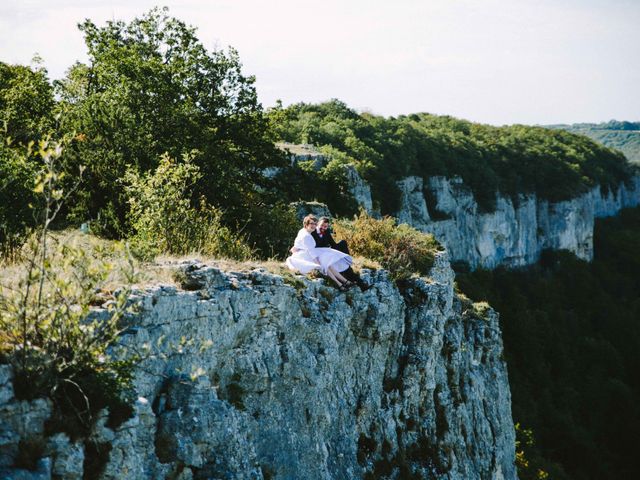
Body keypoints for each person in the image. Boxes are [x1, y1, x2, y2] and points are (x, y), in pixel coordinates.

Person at [286, 215, 355, 291]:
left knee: (327, 263)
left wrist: (295, 249)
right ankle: (340, 284)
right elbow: (311, 253)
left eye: (315, 224)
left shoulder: (303, 231)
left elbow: (297, 246)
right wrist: (319, 264)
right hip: (304, 258)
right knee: (324, 264)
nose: (314, 226)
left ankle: (345, 281)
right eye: (311, 223)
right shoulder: (306, 236)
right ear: (306, 224)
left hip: (305, 254)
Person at [311, 217, 371, 292]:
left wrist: (340, 254)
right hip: (320, 255)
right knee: (347, 270)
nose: (323, 228)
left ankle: (346, 262)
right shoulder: (312, 232)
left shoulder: (326, 232)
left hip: (327, 252)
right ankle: (360, 284)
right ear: (318, 224)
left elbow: (333, 244)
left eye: (325, 226)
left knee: (343, 243)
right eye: (322, 225)